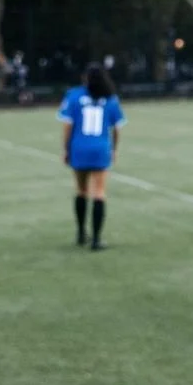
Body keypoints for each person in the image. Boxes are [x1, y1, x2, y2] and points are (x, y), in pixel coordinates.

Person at [58, 63, 125, 251]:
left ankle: (81, 233)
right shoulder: (110, 98)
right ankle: (96, 239)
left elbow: (67, 126)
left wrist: (66, 148)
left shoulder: (74, 95)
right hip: (100, 148)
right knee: (99, 192)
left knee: (81, 190)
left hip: (79, 147)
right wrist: (114, 149)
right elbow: (117, 129)